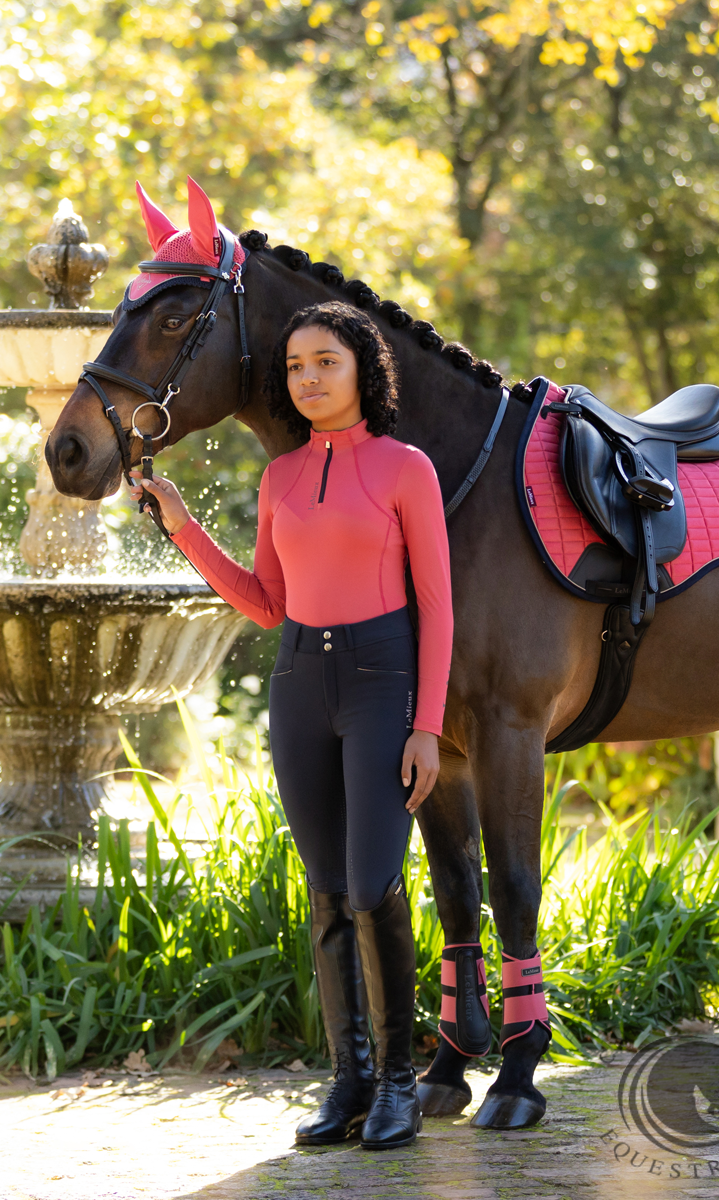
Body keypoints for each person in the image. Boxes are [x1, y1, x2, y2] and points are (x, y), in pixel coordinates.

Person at [130, 301, 453, 1150]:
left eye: (326, 362)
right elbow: (266, 606)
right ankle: (346, 1081)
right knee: (325, 892)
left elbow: (440, 609)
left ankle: (395, 1083)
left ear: (362, 370)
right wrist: (184, 527)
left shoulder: (405, 468)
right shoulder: (278, 478)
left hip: (385, 682)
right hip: (300, 683)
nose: (308, 379)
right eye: (297, 367)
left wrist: (428, 726)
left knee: (373, 883)